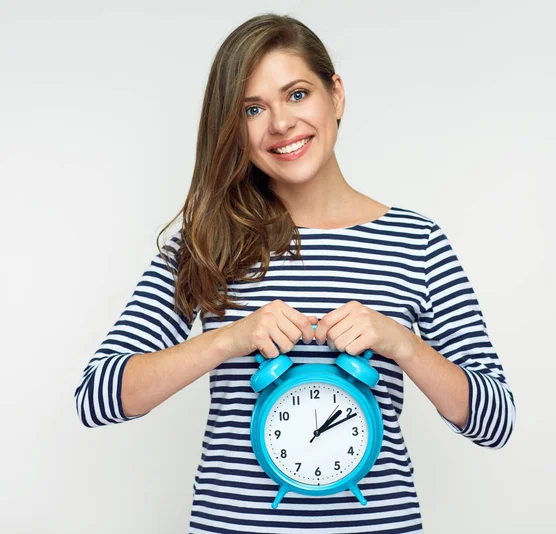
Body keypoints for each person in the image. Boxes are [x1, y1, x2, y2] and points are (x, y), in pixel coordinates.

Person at [74, 13, 516, 534]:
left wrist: (404, 346)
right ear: (234, 129)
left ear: (337, 96)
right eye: (253, 108)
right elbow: (97, 397)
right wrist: (228, 340)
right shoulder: (208, 241)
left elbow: (496, 422)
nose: (280, 123)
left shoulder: (417, 243)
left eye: (298, 94)